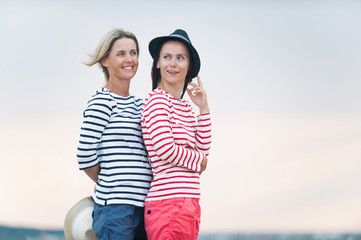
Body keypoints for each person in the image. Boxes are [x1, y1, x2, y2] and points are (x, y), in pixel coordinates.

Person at [76, 28, 152, 240]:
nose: (129, 59)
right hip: (116, 210)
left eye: (133, 53)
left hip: (145, 207)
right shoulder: (102, 101)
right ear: (105, 61)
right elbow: (84, 155)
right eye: (121, 54)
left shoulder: (141, 105)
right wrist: (112, 181)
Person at [141, 29, 212, 240]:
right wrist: (199, 160)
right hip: (168, 204)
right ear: (158, 63)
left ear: (189, 66)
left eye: (180, 58)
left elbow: (204, 149)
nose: (173, 63)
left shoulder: (185, 108)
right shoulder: (157, 101)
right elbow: (165, 149)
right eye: (167, 57)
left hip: (188, 203)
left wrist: (203, 108)